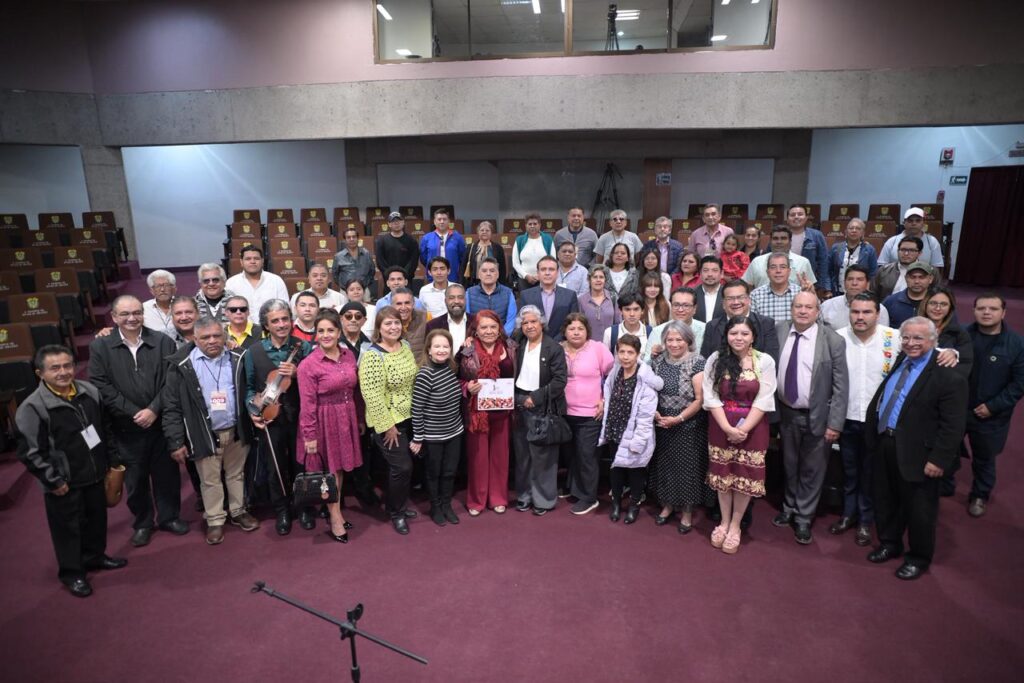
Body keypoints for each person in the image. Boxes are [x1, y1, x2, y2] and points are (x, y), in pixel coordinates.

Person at [16, 345, 126, 598]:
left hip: (96, 473)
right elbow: (30, 452)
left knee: (97, 521)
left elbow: (104, 430)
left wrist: (111, 461)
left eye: (67, 366)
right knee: (68, 529)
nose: (63, 372)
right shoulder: (32, 407)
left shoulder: (90, 392)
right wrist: (53, 480)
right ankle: (73, 573)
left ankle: (95, 557)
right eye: (55, 368)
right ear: (40, 373)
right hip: (64, 482)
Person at [864, 317, 968, 580]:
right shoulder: (903, 360)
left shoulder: (948, 375)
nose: (911, 343)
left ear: (934, 341)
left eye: (918, 338)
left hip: (920, 454)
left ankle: (918, 557)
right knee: (886, 500)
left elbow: (953, 425)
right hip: (886, 443)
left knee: (920, 510)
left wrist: (939, 459)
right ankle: (890, 543)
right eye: (906, 337)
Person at [88, 295, 183, 548]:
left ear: (143, 313)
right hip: (125, 428)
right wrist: (133, 412)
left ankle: (169, 517)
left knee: (167, 476)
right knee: (135, 480)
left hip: (159, 422)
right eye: (125, 314)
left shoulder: (162, 341)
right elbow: (100, 384)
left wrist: (153, 409)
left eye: (137, 313)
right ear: (114, 317)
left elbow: (171, 380)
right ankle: (143, 523)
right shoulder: (101, 346)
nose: (132, 318)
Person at [162, 316, 259, 546]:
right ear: (194, 339)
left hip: (236, 429)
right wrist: (176, 441)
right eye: (205, 337)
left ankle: (238, 511)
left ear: (224, 335)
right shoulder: (181, 365)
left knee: (236, 474)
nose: (213, 341)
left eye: (217, 335)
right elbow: (172, 406)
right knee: (210, 480)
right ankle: (215, 519)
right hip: (203, 432)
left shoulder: (238, 358)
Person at [771, 291, 849, 545]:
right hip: (786, 412)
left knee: (812, 470)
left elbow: (841, 387)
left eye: (809, 307)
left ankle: (804, 517)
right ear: (791, 309)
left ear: (818, 311)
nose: (803, 311)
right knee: (789, 464)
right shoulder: (779, 330)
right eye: (798, 306)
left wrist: (835, 423)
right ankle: (789, 507)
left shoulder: (832, 340)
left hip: (818, 416)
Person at [944, 294, 1024, 517]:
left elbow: (1018, 385)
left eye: (993, 308)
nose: (987, 312)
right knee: (948, 450)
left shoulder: (1017, 344)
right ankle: (946, 483)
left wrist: (993, 406)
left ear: (1003, 313)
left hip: (991, 416)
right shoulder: (962, 336)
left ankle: (980, 495)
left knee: (984, 458)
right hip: (958, 409)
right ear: (974, 310)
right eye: (981, 308)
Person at [703, 317, 777, 554]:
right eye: (734, 333)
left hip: (753, 428)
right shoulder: (716, 359)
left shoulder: (764, 361)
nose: (739, 338)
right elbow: (710, 395)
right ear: (726, 335)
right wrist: (727, 428)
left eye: (744, 334)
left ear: (753, 336)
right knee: (723, 476)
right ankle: (724, 522)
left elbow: (765, 398)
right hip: (720, 424)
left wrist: (743, 430)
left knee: (744, 477)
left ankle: (736, 526)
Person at [831, 293, 900, 546]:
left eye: (866, 312)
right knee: (849, 471)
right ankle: (848, 515)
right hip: (846, 417)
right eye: (855, 312)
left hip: (878, 421)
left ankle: (865, 521)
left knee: (871, 474)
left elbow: (926, 348)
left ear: (877, 314)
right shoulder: (837, 337)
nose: (860, 317)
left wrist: (950, 353)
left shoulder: (893, 338)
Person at [244, 299, 313, 536]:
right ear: (266, 324)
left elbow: (314, 383)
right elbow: (250, 389)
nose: (281, 324)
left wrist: (299, 372)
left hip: (299, 415)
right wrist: (254, 412)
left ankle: (303, 507)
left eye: (285, 319)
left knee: (300, 464)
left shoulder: (302, 348)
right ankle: (282, 510)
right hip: (270, 417)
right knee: (274, 467)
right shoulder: (254, 351)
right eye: (275, 320)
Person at [297, 309, 363, 543]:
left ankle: (335, 510)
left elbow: (354, 391)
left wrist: (359, 419)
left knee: (340, 468)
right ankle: (335, 517)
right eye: (321, 331)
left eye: (330, 330)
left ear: (339, 332)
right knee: (330, 471)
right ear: (315, 334)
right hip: (323, 421)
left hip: (346, 417)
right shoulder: (308, 365)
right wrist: (310, 435)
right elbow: (307, 404)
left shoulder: (348, 355)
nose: (325, 335)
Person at [359, 306, 419, 535]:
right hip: (388, 423)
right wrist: (388, 426)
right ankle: (396, 512)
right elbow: (372, 396)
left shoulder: (404, 347)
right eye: (387, 324)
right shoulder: (373, 356)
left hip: (409, 416)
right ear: (379, 328)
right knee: (402, 467)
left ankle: (400, 505)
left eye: (396, 323)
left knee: (404, 469)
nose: (393, 327)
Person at [648, 321, 712, 534]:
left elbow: (699, 399)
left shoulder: (698, 362)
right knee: (664, 465)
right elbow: (648, 389)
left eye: (679, 339)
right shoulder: (657, 360)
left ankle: (686, 511)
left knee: (687, 468)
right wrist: (656, 413)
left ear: (688, 341)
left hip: (689, 424)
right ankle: (667, 505)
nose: (674, 344)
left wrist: (679, 419)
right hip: (661, 421)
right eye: (670, 340)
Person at [599, 334, 663, 524]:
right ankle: (616, 503)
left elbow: (645, 417)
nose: (625, 356)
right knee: (616, 469)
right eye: (622, 352)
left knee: (636, 471)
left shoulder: (645, 379)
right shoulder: (615, 371)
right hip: (614, 428)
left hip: (635, 432)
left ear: (638, 354)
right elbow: (609, 397)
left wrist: (638, 440)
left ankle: (634, 505)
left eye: (630, 352)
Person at [460, 310, 517, 516]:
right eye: (483, 327)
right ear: (475, 330)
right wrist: (467, 387)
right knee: (478, 459)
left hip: (503, 413)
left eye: (493, 327)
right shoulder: (466, 350)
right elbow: (457, 378)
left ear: (499, 328)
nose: (489, 331)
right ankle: (477, 500)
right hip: (477, 414)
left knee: (501, 458)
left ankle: (498, 498)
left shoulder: (511, 347)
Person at [513, 306, 567, 516]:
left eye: (533, 321)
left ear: (541, 323)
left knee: (544, 457)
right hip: (520, 404)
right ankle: (524, 496)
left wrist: (534, 398)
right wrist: (522, 399)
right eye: (525, 323)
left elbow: (560, 381)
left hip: (543, 405)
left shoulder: (553, 348)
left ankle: (543, 500)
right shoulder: (518, 344)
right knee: (523, 455)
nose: (529, 326)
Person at [560, 313, 614, 515]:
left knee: (587, 456)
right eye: (571, 328)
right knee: (571, 454)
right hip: (564, 413)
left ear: (587, 331)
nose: (576, 332)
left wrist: (605, 400)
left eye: (580, 328)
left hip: (591, 413)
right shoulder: (558, 349)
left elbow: (613, 376)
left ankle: (589, 498)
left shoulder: (598, 348)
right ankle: (575, 488)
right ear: (565, 331)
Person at [410, 330, 464, 527]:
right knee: (434, 473)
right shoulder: (425, 374)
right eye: (437, 346)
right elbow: (417, 408)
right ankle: (435, 506)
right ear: (429, 350)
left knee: (450, 472)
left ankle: (446, 504)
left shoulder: (451, 368)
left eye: (445, 346)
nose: (442, 350)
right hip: (433, 436)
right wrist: (418, 437)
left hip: (455, 432)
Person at [700, 280, 781, 363]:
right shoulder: (712, 326)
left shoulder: (766, 324)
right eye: (730, 298)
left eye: (740, 297)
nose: (736, 302)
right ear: (723, 304)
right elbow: (705, 361)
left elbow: (771, 361)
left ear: (749, 300)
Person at [519, 256, 580, 341]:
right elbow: (522, 323)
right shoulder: (525, 295)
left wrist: (556, 342)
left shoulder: (570, 295)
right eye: (543, 269)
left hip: (562, 345)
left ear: (558, 272)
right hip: (534, 344)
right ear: (538, 273)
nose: (547, 273)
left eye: (551, 269)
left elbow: (573, 323)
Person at [225, 245, 289, 324]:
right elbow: (227, 313)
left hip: (270, 331)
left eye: (256, 258)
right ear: (241, 262)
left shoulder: (276, 281)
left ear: (262, 261)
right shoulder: (231, 283)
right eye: (248, 259)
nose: (252, 261)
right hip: (241, 332)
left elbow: (285, 309)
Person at [919, 286, 973, 378]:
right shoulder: (910, 328)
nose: (938, 308)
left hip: (942, 385)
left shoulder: (959, 333)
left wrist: (954, 356)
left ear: (950, 308)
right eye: (933, 303)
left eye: (944, 304)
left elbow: (964, 368)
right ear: (925, 304)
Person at [742, 226, 817, 291]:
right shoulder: (757, 261)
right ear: (770, 241)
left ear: (790, 241)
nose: (779, 242)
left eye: (783, 238)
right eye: (775, 238)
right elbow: (747, 286)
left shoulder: (803, 262)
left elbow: (810, 287)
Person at [645, 287, 706, 363]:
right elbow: (646, 363)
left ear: (694, 308)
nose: (680, 310)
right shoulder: (658, 331)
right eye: (676, 305)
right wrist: (653, 355)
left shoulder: (705, 329)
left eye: (686, 305)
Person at [820, 265, 891, 329]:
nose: (854, 283)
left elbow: (883, 337)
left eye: (859, 279)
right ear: (844, 283)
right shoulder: (826, 306)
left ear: (868, 284)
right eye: (850, 279)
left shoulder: (879, 309)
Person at [784, 205, 832, 296]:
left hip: (809, 284)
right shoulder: (780, 236)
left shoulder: (816, 236)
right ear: (787, 219)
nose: (796, 217)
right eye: (792, 215)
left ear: (806, 218)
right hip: (784, 282)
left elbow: (823, 262)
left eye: (800, 214)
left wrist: (822, 286)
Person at [878, 207, 944, 269]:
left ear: (924, 223)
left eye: (918, 221)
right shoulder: (892, 241)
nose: (914, 223)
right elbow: (882, 265)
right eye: (910, 221)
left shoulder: (932, 241)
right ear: (904, 223)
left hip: (921, 279)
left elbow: (936, 267)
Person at [465, 258, 518, 335]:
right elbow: (467, 319)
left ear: (498, 274)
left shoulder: (508, 293)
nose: (488, 273)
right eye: (484, 271)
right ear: (479, 275)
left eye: (492, 271)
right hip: (477, 339)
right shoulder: (469, 293)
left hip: (501, 340)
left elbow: (511, 320)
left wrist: (501, 336)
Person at [829, 218, 878, 296]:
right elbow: (829, 271)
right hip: (837, 292)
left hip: (861, 293)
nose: (854, 230)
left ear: (862, 233)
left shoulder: (869, 250)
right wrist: (828, 289)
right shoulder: (836, 248)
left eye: (858, 228)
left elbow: (873, 274)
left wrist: (867, 291)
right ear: (846, 232)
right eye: (851, 228)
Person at [750, 252, 803, 324]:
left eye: (783, 267)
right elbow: (752, 325)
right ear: (767, 272)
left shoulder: (800, 293)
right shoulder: (755, 295)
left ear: (789, 271)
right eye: (773, 267)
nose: (778, 271)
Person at [871, 235, 926, 301]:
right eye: (903, 250)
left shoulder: (928, 272)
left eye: (911, 250)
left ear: (919, 253)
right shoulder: (884, 270)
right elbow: (873, 294)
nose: (906, 254)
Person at [419, 208, 467, 283]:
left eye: (444, 219)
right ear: (434, 222)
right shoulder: (427, 238)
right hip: (433, 278)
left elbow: (462, 257)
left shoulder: (457, 237)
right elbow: (423, 258)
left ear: (449, 221)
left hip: (453, 277)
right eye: (439, 219)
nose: (442, 222)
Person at [883, 260, 935, 328]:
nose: (917, 281)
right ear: (906, 278)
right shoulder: (891, 301)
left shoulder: (936, 302)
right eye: (913, 277)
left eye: (921, 277)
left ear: (930, 279)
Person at [512, 212, 557, 289]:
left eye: (535, 224)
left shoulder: (548, 239)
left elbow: (553, 261)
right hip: (524, 280)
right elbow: (515, 263)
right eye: (530, 224)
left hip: (544, 279)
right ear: (525, 225)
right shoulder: (519, 240)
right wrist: (526, 275)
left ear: (539, 225)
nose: (532, 226)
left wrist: (540, 275)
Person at [578, 264, 620, 343]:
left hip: (610, 344)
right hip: (588, 345)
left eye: (601, 277)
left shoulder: (613, 297)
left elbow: (618, 323)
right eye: (595, 277)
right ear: (589, 280)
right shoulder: (581, 300)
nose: (598, 280)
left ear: (605, 280)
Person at [426, 283, 474, 350]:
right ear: (445, 301)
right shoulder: (433, 325)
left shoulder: (476, 322)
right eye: (451, 298)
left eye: (460, 297)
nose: (456, 301)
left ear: (465, 300)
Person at [375, 210, 420, 281]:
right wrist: (391, 275)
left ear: (403, 223)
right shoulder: (381, 241)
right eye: (393, 221)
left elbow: (413, 261)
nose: (396, 223)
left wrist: (403, 275)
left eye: (399, 221)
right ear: (389, 224)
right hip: (389, 280)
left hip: (406, 279)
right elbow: (380, 262)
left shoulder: (412, 240)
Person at [332, 225, 375, 298]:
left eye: (354, 236)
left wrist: (365, 285)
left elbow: (372, 271)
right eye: (348, 237)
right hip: (345, 292)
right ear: (345, 240)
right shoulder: (338, 256)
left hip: (363, 291)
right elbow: (335, 275)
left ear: (358, 238)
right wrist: (344, 286)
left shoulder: (366, 254)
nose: (351, 239)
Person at [463, 220, 508, 286]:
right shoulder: (470, 247)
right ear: (478, 232)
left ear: (491, 233)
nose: (484, 232)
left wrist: (502, 285)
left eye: (487, 230)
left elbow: (502, 269)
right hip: (475, 283)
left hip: (493, 283)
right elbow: (463, 266)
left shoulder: (498, 248)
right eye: (482, 230)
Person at [392, 288, 431, 359]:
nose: (403, 307)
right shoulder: (386, 323)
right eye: (399, 304)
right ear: (392, 305)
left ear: (413, 304)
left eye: (407, 303)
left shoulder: (426, 317)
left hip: (422, 367)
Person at [142, 269, 177, 338]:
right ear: (152, 291)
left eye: (166, 285)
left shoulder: (183, 306)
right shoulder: (143, 308)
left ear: (173, 288)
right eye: (158, 286)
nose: (162, 290)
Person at [691, 255, 725, 323]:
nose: (710, 274)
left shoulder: (728, 294)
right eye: (705, 270)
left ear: (721, 273)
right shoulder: (691, 294)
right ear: (700, 274)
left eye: (714, 270)